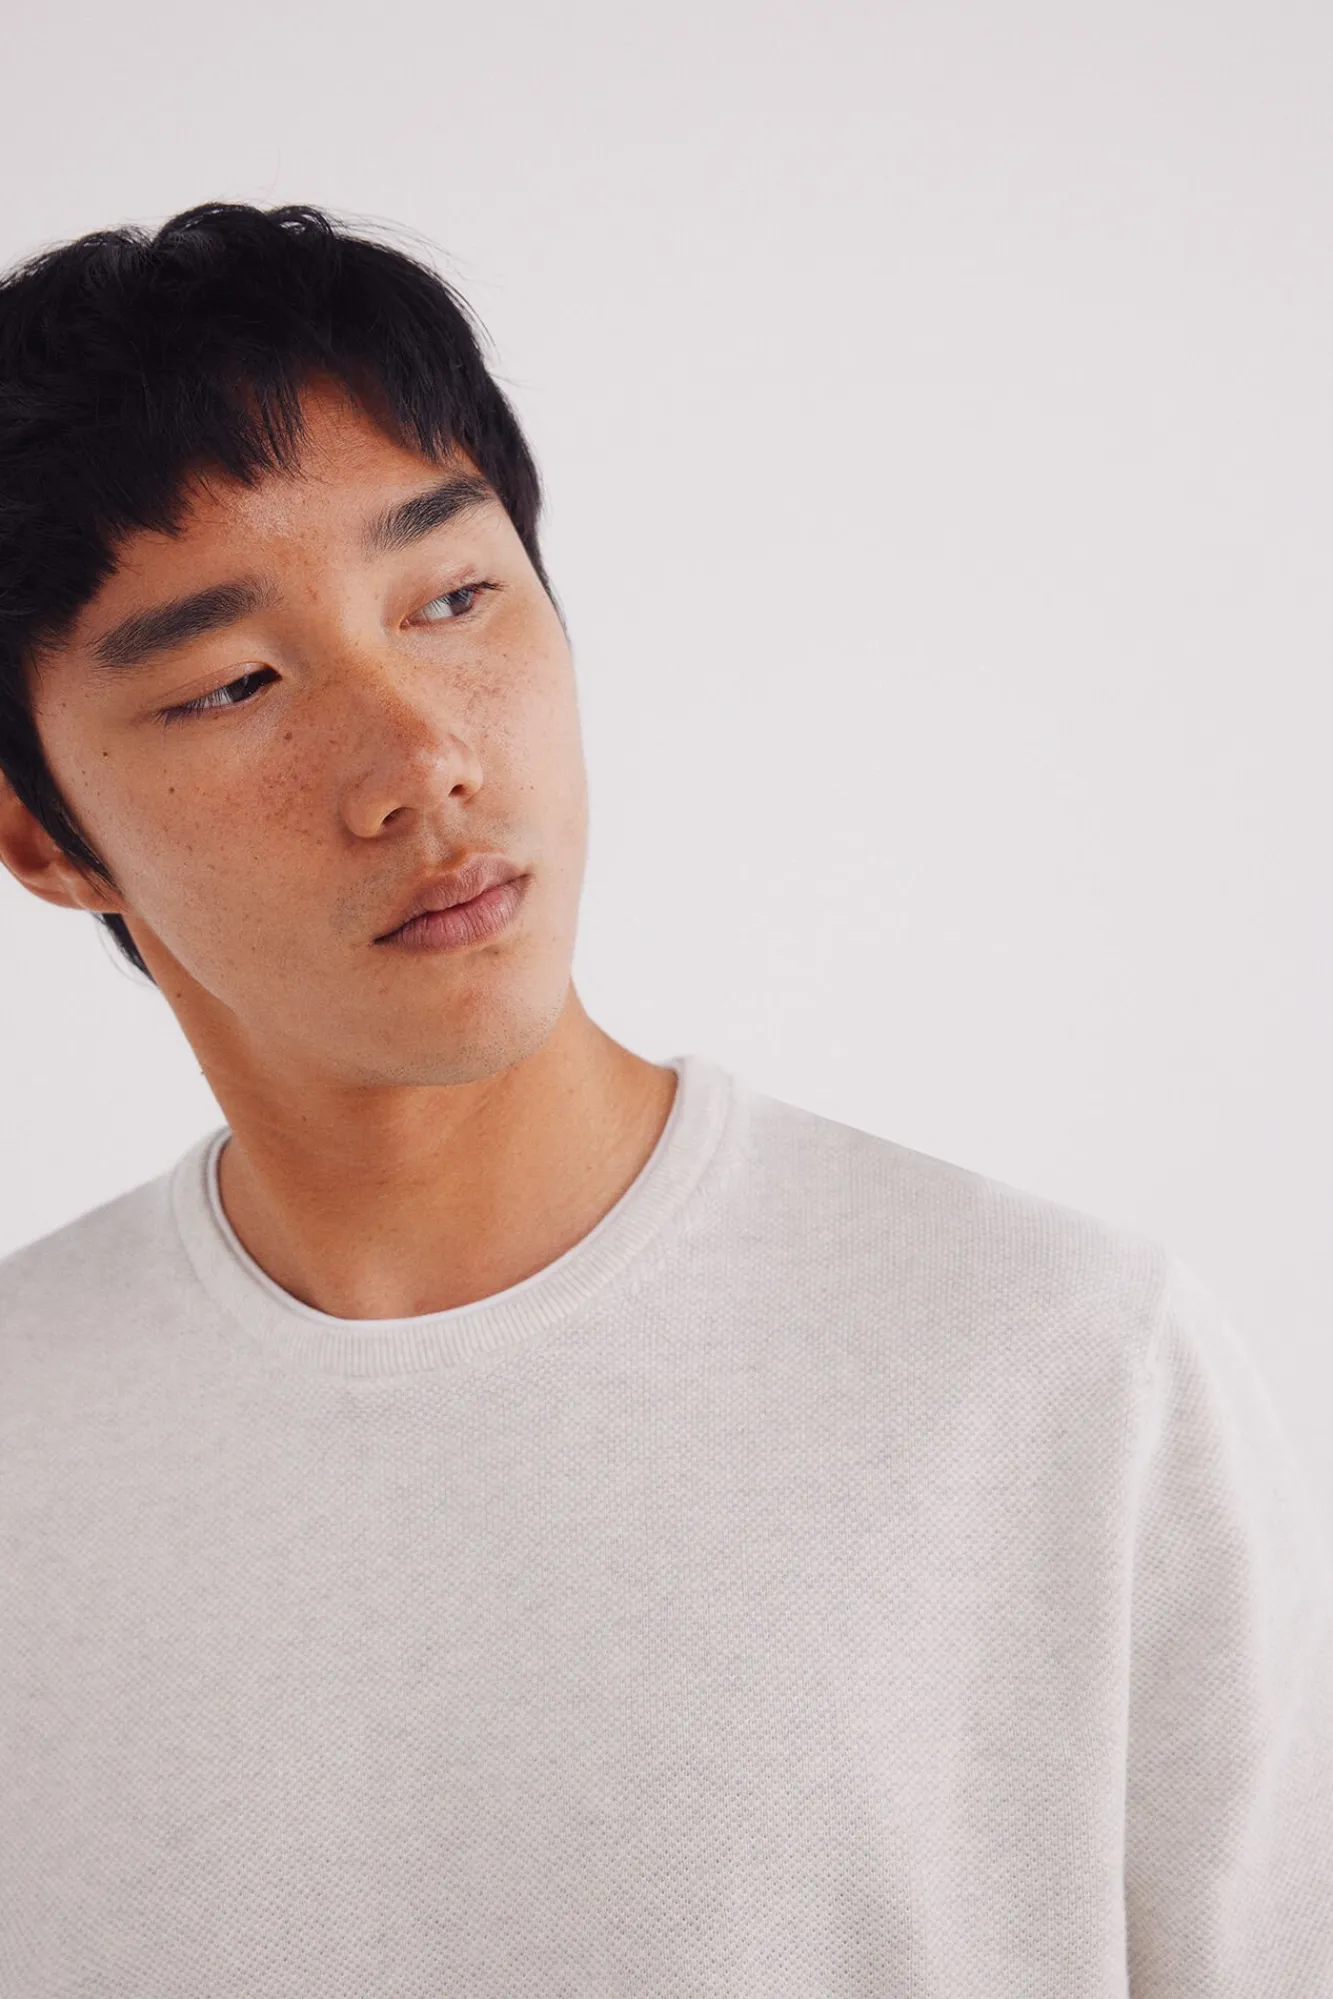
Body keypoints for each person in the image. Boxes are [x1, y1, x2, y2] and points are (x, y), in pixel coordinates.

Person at [0, 203, 1328, 1999]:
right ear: (44, 836)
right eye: (237, 684)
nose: (420, 761)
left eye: (453, 598)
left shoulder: (1064, 1365)